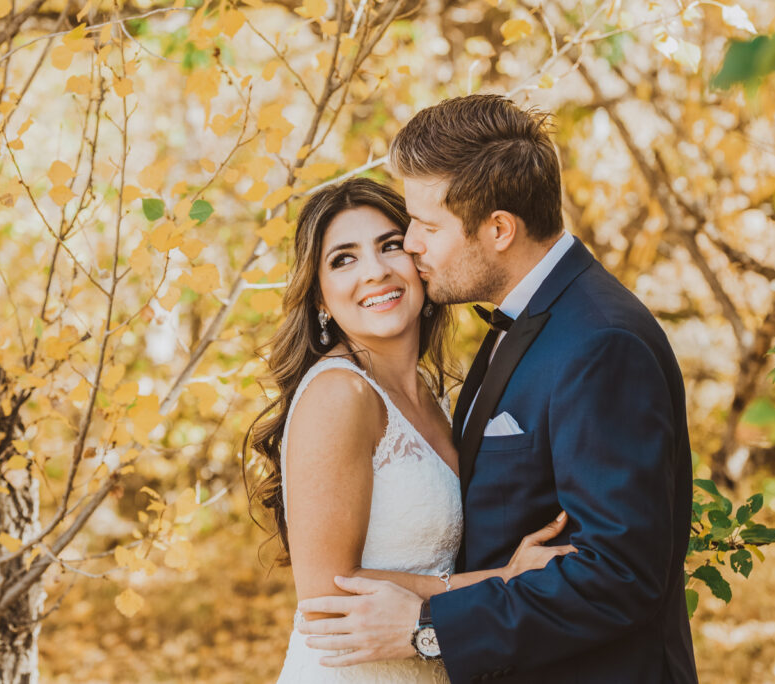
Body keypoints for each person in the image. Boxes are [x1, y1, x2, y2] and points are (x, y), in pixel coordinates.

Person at [297, 95, 699, 683]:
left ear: (499, 229)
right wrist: (490, 583)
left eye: (426, 227)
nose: (411, 244)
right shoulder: (522, 322)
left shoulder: (599, 341)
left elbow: (620, 574)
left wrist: (430, 628)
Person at [246, 177, 576, 683]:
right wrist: (502, 580)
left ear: (419, 262)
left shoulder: (430, 392)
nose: (375, 271)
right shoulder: (340, 393)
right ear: (319, 299)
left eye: (390, 246)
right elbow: (325, 595)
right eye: (344, 259)